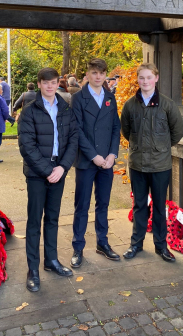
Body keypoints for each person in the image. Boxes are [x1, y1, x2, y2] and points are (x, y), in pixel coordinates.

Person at [18, 67, 79, 293]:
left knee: (52, 218)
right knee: (34, 221)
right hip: (37, 174)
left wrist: (62, 167)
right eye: (46, 82)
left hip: (59, 171)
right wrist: (48, 171)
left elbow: (74, 139)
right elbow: (27, 146)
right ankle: (32, 269)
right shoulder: (29, 111)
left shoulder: (65, 108)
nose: (50, 86)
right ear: (40, 84)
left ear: (58, 84)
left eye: (54, 82)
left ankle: (51, 261)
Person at [120, 63, 183, 262]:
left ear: (156, 78)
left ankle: (161, 246)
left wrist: (161, 147)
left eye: (149, 77)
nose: (145, 81)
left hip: (159, 165)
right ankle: (135, 244)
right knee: (139, 205)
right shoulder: (130, 105)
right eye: (141, 78)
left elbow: (177, 132)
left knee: (158, 206)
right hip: (138, 164)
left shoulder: (167, 105)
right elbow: (126, 131)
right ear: (138, 80)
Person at [70, 58, 121, 268]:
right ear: (88, 75)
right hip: (86, 160)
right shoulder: (79, 98)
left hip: (107, 162)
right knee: (82, 205)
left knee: (104, 204)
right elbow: (77, 130)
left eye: (101, 73)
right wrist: (94, 156)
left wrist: (112, 154)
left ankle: (103, 243)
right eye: (94, 72)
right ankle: (78, 247)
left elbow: (115, 128)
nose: (98, 76)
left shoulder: (110, 97)